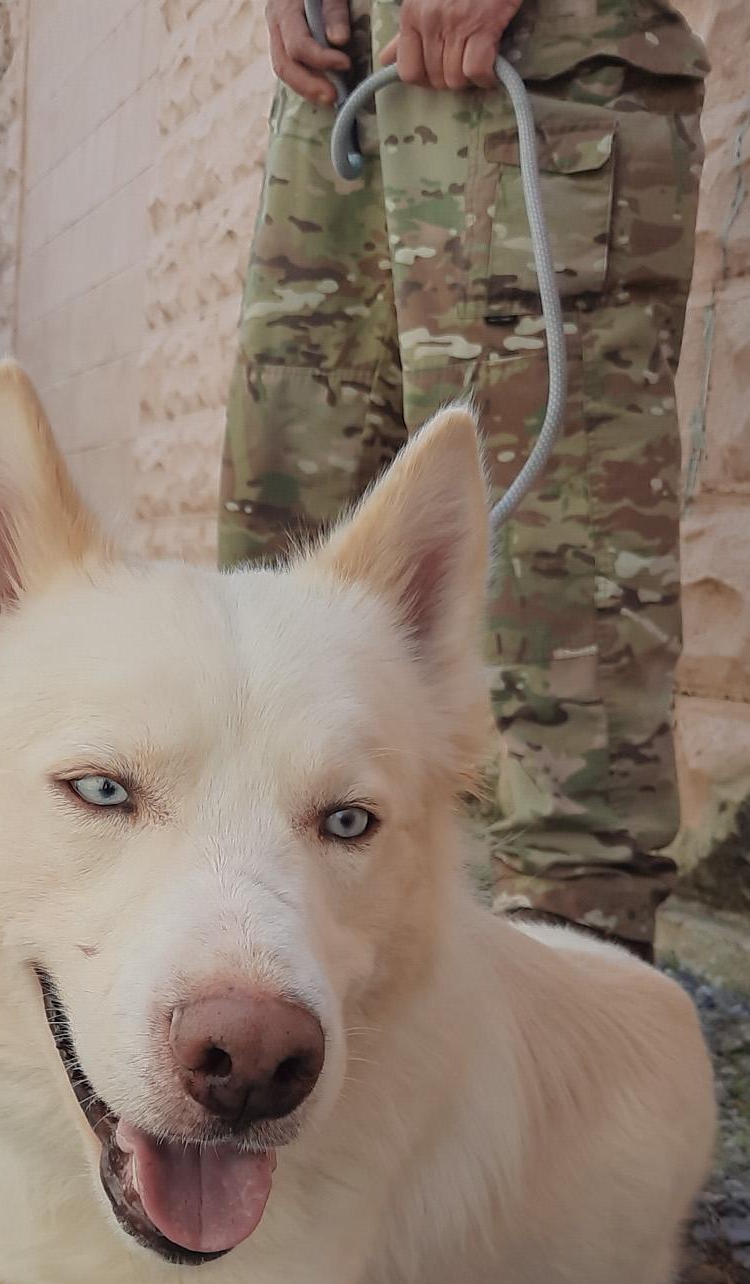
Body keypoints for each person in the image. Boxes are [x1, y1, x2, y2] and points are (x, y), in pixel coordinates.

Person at [223, 0, 707, 962]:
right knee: (269, 584)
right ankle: (255, 992)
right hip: (339, 88)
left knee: (556, 610)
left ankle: (581, 1073)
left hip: (542, 53)